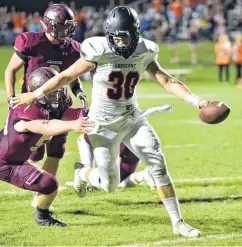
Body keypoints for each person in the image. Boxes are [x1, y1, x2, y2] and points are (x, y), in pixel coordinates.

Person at [13, 6, 213, 237]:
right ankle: (82, 174)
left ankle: (178, 222)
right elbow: (67, 76)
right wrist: (35, 95)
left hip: (131, 118)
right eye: (115, 36)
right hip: (103, 124)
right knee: (109, 184)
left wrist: (198, 102)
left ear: (135, 33)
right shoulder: (99, 50)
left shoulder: (145, 50)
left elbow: (167, 80)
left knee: (158, 163)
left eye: (124, 36)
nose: (119, 41)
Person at [5, 3, 87, 207]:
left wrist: (79, 92)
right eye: (62, 26)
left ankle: (43, 197)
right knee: (33, 154)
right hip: (33, 107)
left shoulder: (72, 48)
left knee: (56, 151)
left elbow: (72, 77)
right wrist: (11, 97)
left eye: (68, 26)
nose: (67, 31)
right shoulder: (30, 42)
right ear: (50, 25)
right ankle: (32, 178)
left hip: (59, 104)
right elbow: (10, 70)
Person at [0, 67, 93, 227]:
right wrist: (73, 124)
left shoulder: (50, 103)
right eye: (50, 92)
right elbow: (46, 126)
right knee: (49, 184)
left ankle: (42, 216)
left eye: (57, 90)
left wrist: (89, 114)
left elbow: (64, 114)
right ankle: (42, 217)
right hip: (6, 162)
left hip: (11, 152)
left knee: (49, 182)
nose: (56, 95)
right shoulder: (27, 109)